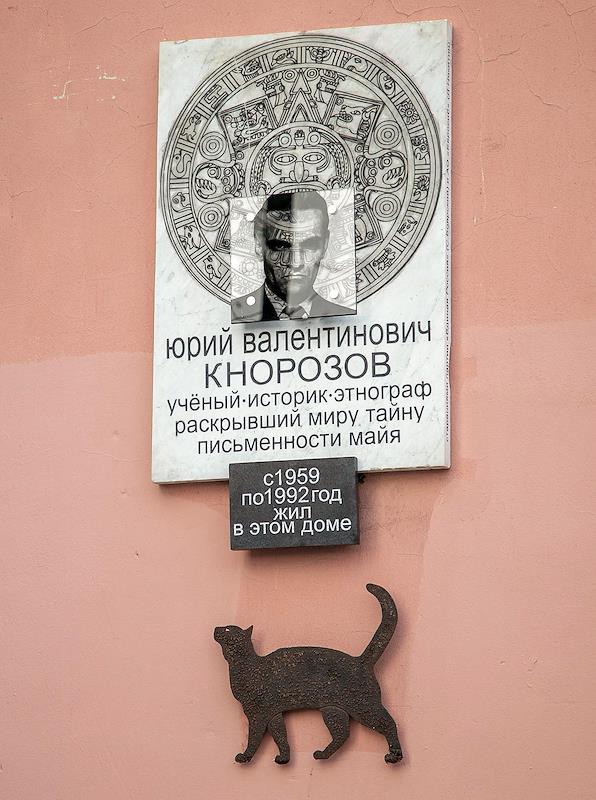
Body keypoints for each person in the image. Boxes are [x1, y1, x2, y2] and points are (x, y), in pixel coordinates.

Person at [231, 191, 354, 322]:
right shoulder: (234, 315)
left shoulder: (347, 320)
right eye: (280, 246)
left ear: (325, 245)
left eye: (309, 245)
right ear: (259, 245)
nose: (295, 263)